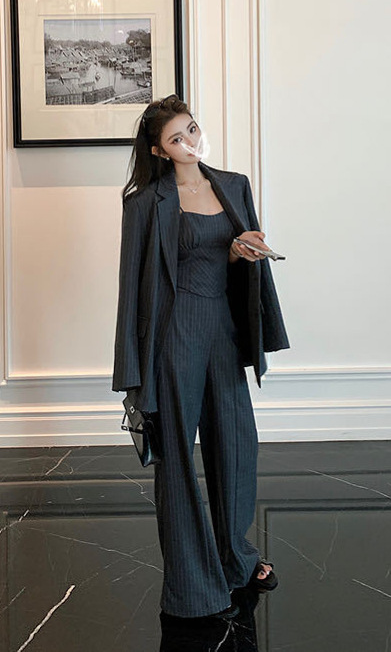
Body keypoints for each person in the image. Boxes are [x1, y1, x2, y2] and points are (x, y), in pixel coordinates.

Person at [112, 94, 290, 619]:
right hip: (175, 338)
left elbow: (234, 258)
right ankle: (192, 586)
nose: (190, 142)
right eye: (176, 139)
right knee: (176, 460)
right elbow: (131, 291)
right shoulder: (145, 203)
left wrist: (240, 252)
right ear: (159, 151)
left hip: (224, 332)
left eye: (191, 129)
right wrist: (131, 374)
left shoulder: (234, 185)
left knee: (236, 446)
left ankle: (236, 558)